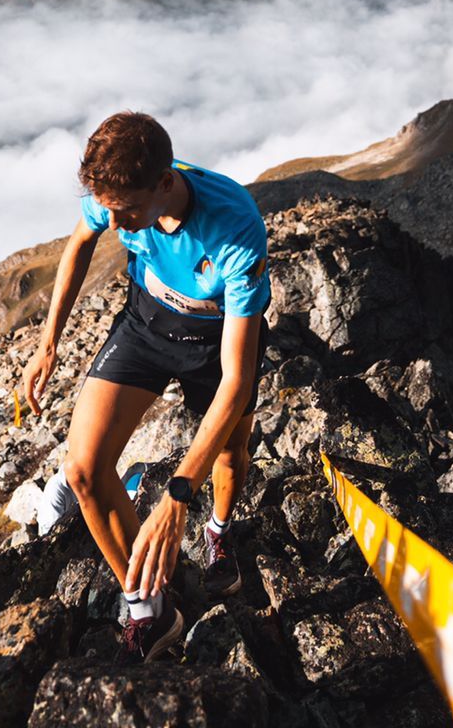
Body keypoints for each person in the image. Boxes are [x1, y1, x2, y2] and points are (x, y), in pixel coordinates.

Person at [22, 111, 270, 664]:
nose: (115, 225)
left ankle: (220, 528)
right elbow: (80, 242)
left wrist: (179, 495)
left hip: (215, 339)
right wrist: (48, 341)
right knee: (84, 470)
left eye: (127, 212)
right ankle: (150, 608)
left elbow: (236, 380)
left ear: (164, 184)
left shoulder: (234, 228)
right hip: (147, 323)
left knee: (230, 453)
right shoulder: (116, 193)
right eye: (109, 209)